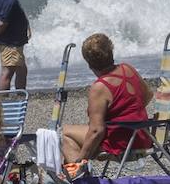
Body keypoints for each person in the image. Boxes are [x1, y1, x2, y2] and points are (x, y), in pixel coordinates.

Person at [58, 34, 154, 164]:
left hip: (121, 143)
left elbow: (97, 130)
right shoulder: (127, 69)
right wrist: (128, 116)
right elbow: (148, 95)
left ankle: (78, 175)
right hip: (142, 137)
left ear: (89, 63)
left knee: (63, 133)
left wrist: (82, 158)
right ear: (111, 52)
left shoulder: (100, 88)